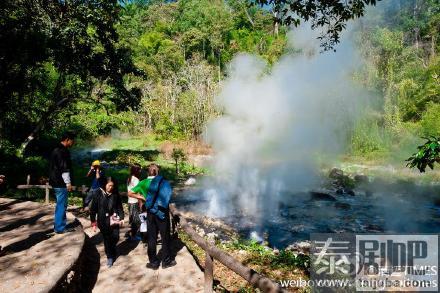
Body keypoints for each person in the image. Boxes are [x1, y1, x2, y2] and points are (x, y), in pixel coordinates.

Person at [128, 163, 175, 270]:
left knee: (152, 237)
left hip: (150, 212)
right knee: (165, 236)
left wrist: (141, 197)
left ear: (147, 172)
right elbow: (168, 195)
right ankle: (166, 261)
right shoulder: (162, 182)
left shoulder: (143, 182)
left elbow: (130, 193)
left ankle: (153, 262)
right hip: (162, 212)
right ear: (157, 172)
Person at [90, 177, 124, 267]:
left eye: (112, 186)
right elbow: (93, 209)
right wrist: (93, 222)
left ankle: (112, 249)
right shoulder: (98, 193)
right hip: (103, 221)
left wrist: (122, 217)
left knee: (116, 237)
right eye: (109, 186)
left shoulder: (115, 194)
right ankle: (110, 257)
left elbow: (120, 207)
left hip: (114, 219)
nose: (111, 188)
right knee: (107, 239)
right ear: (105, 185)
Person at [49, 131, 75, 234]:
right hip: (60, 182)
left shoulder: (55, 149)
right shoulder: (62, 151)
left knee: (60, 204)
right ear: (67, 140)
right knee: (61, 204)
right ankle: (60, 228)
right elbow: (64, 167)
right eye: (72, 141)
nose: (73, 143)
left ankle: (59, 225)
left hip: (55, 181)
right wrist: (68, 183)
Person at [126, 163, 142, 241]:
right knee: (136, 220)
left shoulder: (129, 178)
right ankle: (133, 236)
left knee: (133, 219)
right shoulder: (136, 180)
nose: (141, 171)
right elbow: (138, 193)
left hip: (130, 201)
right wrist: (141, 204)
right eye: (139, 169)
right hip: (135, 202)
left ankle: (133, 234)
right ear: (136, 170)